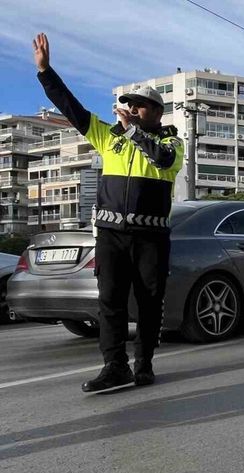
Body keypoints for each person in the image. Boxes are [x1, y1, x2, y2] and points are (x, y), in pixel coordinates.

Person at [33, 33, 184, 392]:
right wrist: (45, 72)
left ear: (157, 113)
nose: (132, 109)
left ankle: (144, 364)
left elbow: (162, 160)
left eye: (140, 105)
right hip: (112, 236)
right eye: (129, 104)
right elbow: (71, 109)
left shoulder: (170, 142)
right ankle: (115, 367)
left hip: (151, 238)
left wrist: (132, 131)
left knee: (149, 303)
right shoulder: (109, 137)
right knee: (110, 302)